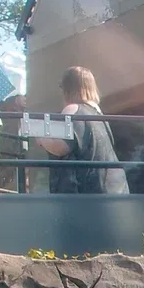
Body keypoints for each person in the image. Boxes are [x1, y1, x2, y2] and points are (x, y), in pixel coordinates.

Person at [34, 66, 128, 195]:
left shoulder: (73, 109)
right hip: (113, 188)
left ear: (67, 89)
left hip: (85, 192)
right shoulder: (99, 115)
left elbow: (61, 147)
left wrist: (40, 136)